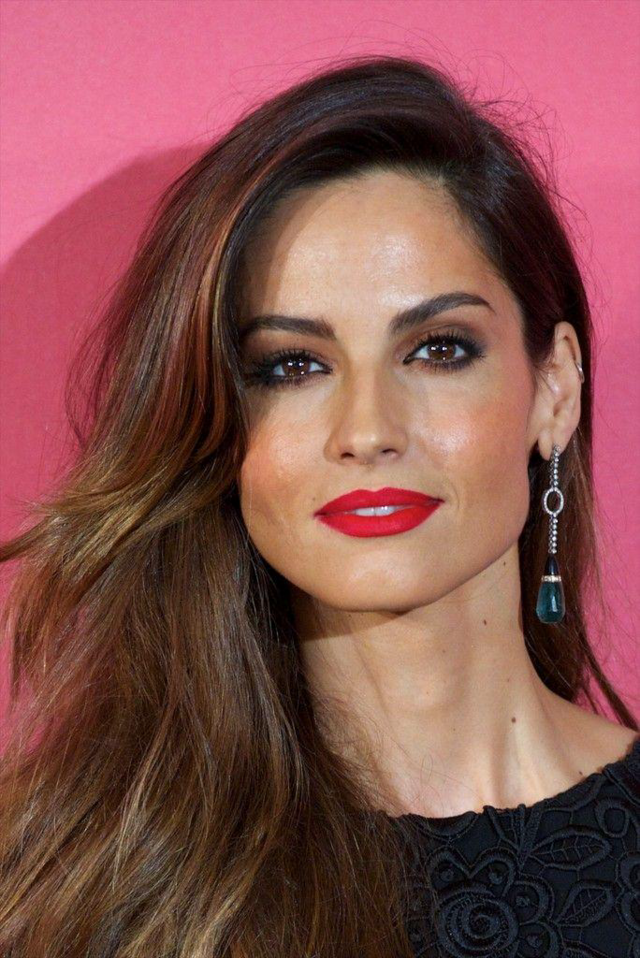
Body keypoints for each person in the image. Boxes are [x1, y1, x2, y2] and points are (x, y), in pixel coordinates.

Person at [0, 55, 638, 958]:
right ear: (217, 423)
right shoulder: (72, 885)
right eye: (291, 366)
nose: (368, 431)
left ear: (555, 388)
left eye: (438, 349)